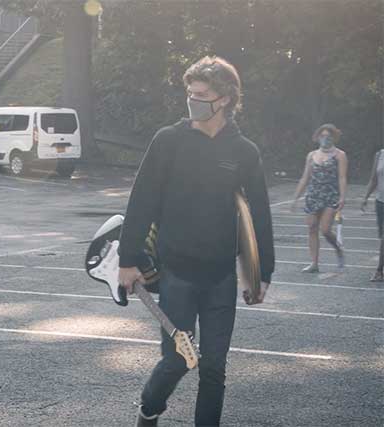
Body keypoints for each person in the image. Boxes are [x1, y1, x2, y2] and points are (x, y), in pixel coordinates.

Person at [116, 56, 275, 427]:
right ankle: (149, 408)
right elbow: (141, 200)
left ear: (225, 99)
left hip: (220, 277)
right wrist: (128, 259)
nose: (192, 101)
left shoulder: (243, 152)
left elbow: (260, 216)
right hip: (177, 275)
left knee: (214, 368)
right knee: (177, 360)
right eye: (190, 93)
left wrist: (261, 272)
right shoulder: (168, 141)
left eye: (201, 94)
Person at [290, 124, 348, 272]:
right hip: (313, 195)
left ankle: (337, 248)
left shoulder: (340, 155)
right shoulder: (311, 155)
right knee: (311, 228)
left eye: (328, 136)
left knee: (325, 229)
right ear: (317, 137)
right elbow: (304, 178)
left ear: (334, 137)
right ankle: (314, 263)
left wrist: (342, 197)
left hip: (330, 195)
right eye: (322, 136)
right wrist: (295, 198)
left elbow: (342, 177)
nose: (325, 139)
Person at [361, 147, 384, 281]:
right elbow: (373, 179)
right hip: (381, 202)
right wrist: (365, 197)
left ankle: (379, 270)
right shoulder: (380, 154)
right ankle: (380, 271)